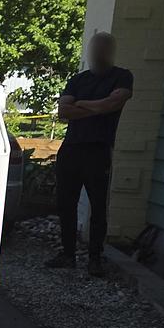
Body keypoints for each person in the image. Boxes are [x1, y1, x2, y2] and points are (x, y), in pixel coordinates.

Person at [46, 32, 133, 277]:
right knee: (66, 203)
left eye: (104, 49)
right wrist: (99, 106)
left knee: (97, 205)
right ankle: (68, 254)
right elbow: (64, 111)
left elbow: (112, 105)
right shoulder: (78, 80)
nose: (99, 53)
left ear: (111, 52)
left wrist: (82, 104)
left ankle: (95, 258)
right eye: (96, 48)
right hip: (71, 149)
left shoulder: (122, 77)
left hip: (98, 149)